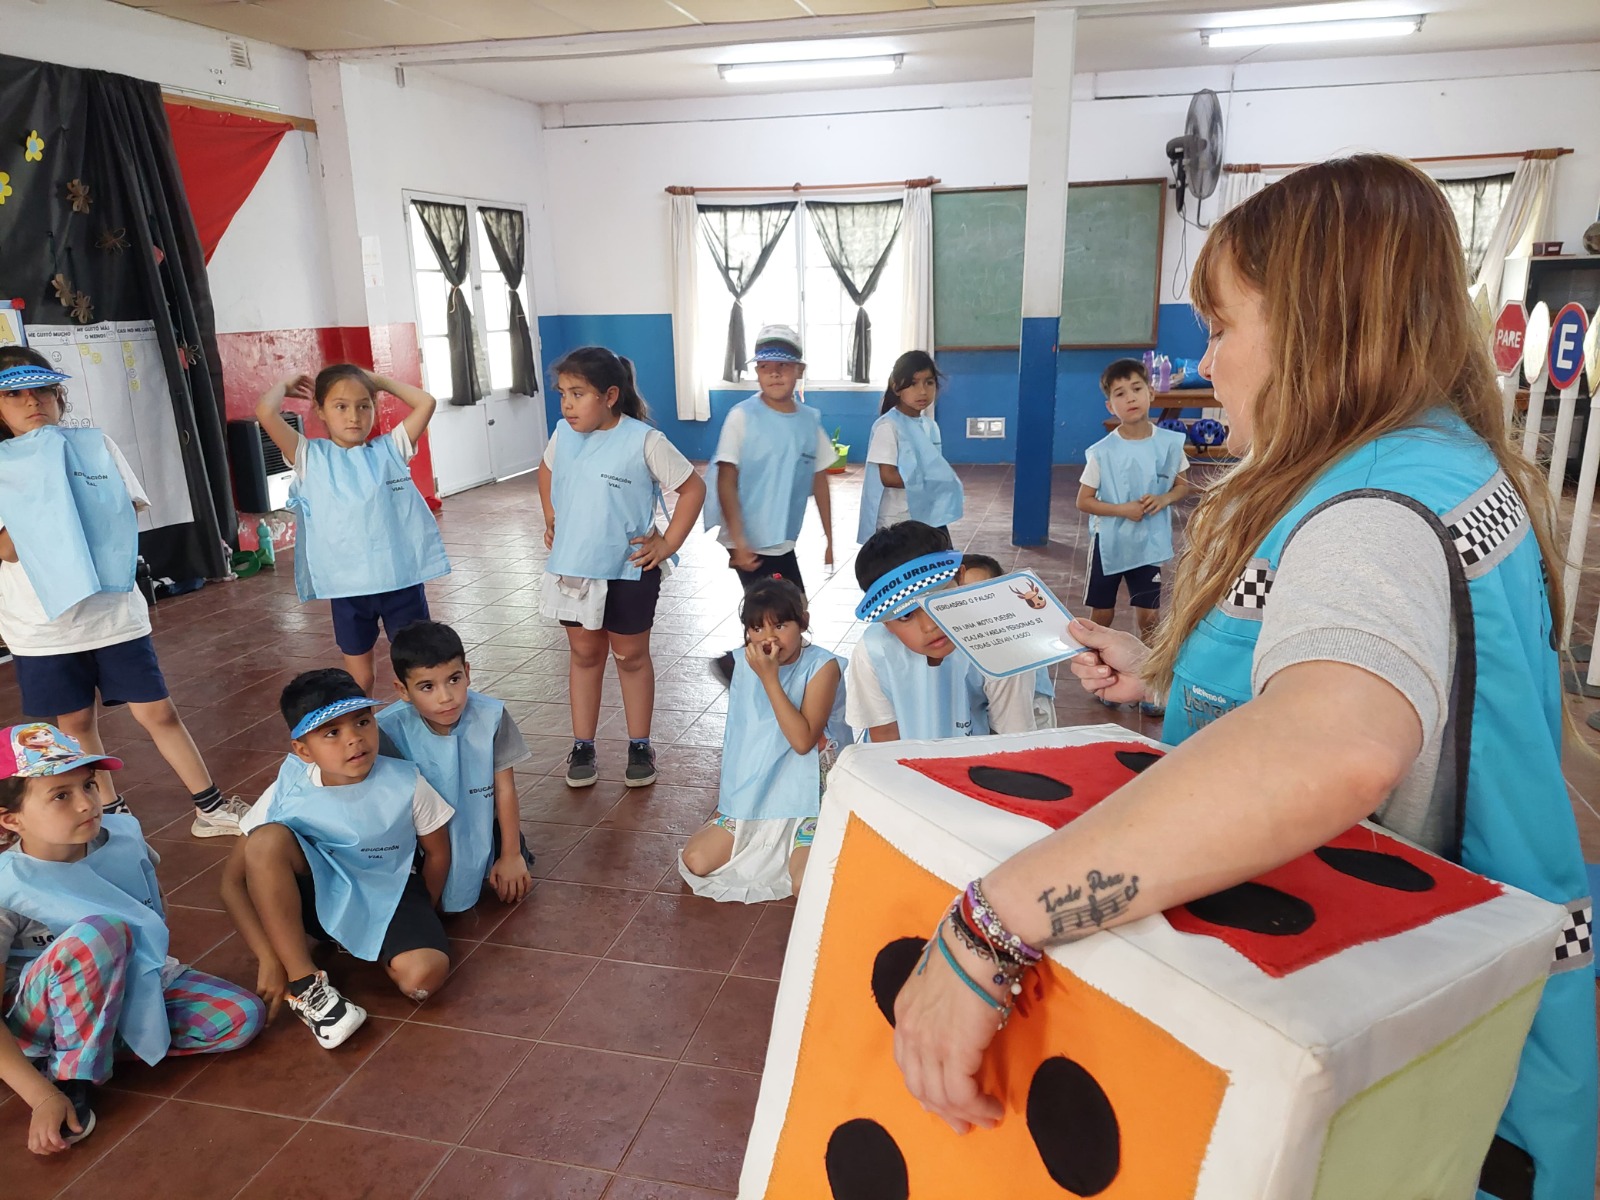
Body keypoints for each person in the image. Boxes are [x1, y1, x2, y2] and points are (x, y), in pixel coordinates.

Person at [888, 155, 1596, 1200]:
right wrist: (1171, 679)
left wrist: (992, 924)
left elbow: (1335, 744)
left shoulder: (1371, 516)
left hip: (1432, 1062)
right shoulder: (1438, 461)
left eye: (1222, 329)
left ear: (1322, 324)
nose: (1204, 366)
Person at [0, 347, 249, 837]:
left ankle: (210, 807)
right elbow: (8, 549)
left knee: (158, 710)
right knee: (75, 723)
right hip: (43, 627)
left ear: (58, 395)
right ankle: (112, 813)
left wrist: (65, 496)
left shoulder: (96, 446)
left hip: (113, 614)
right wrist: (48, 492)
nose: (33, 403)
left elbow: (126, 509)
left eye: (42, 390)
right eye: (14, 395)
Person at [0, 725, 264, 1154]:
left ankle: (96, 1044)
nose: (87, 803)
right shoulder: (7, 885)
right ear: (11, 820)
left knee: (240, 1018)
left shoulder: (123, 836)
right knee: (99, 932)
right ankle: (71, 1077)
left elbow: (151, 911)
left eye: (88, 785)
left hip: (128, 982)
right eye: (60, 796)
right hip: (36, 1018)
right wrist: (41, 1096)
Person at [218, 669, 454, 1050]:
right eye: (332, 732)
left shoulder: (405, 780)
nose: (354, 739)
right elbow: (231, 884)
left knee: (424, 978)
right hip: (319, 899)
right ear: (303, 750)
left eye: (362, 722)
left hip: (388, 891)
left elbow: (438, 852)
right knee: (266, 841)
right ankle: (305, 984)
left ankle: (365, 942)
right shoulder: (288, 788)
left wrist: (422, 914)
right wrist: (269, 957)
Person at [537, 346, 706, 790]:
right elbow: (546, 471)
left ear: (610, 395)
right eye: (562, 394)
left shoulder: (644, 440)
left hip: (629, 568)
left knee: (630, 657)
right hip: (574, 568)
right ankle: (583, 745)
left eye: (578, 394)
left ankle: (639, 744)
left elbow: (693, 488)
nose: (567, 404)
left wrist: (668, 543)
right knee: (584, 654)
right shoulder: (563, 434)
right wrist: (551, 516)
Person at [256, 365, 449, 696]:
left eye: (364, 405)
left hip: (399, 581)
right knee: (362, 679)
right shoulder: (309, 456)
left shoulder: (391, 449)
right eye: (340, 406)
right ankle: (363, 734)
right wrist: (285, 385)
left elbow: (425, 403)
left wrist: (381, 381)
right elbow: (264, 411)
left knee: (420, 669)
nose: (354, 416)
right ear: (320, 410)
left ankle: (427, 732)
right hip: (348, 587)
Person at [679, 579, 847, 903]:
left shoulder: (823, 667)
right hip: (758, 791)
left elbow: (802, 741)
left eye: (781, 625)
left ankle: (811, 838)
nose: (768, 638)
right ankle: (735, 822)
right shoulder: (744, 662)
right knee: (696, 861)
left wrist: (770, 679)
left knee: (804, 884)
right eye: (757, 628)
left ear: (804, 623)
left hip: (809, 796)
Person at [377, 620, 534, 912]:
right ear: (402, 689)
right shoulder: (387, 729)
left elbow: (505, 787)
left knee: (514, 875)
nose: (446, 696)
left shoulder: (491, 716)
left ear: (468, 673)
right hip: (423, 840)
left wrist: (511, 854)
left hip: (484, 825)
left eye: (454, 679)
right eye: (427, 686)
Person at [848, 522, 1036, 743]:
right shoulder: (872, 653)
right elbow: (885, 740)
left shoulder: (1000, 642)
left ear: (960, 577)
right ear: (885, 623)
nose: (930, 626)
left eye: (937, 601)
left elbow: (1013, 739)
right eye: (905, 615)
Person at [702, 324, 835, 594]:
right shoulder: (742, 417)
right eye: (765, 366)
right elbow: (726, 480)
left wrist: (830, 539)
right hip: (750, 540)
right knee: (780, 614)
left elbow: (819, 479)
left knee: (786, 615)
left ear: (800, 369)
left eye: (784, 365)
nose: (774, 373)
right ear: (757, 371)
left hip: (782, 535)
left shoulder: (809, 420)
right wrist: (738, 541)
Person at [1075, 358, 1191, 647]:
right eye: (1120, 394)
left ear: (1151, 392)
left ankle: (1147, 674)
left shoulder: (1169, 444)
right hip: (1110, 543)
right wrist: (1121, 510)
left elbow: (1182, 486)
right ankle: (1097, 664)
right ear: (1110, 406)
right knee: (1102, 613)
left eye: (1136, 389)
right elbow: (1084, 501)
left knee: (1150, 617)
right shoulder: (1101, 452)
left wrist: (1164, 499)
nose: (1130, 398)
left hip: (1148, 544)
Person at [858, 351, 964, 542]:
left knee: (939, 560)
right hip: (898, 520)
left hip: (926, 514)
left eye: (929, 383)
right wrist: (927, 480)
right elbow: (888, 477)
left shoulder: (930, 426)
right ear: (897, 387)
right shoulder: (888, 427)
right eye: (913, 383)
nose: (922, 391)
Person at [957, 554, 1055, 730]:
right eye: (960, 593)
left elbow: (1017, 730)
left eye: (980, 594)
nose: (970, 602)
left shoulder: (1013, 652)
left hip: (1030, 708)